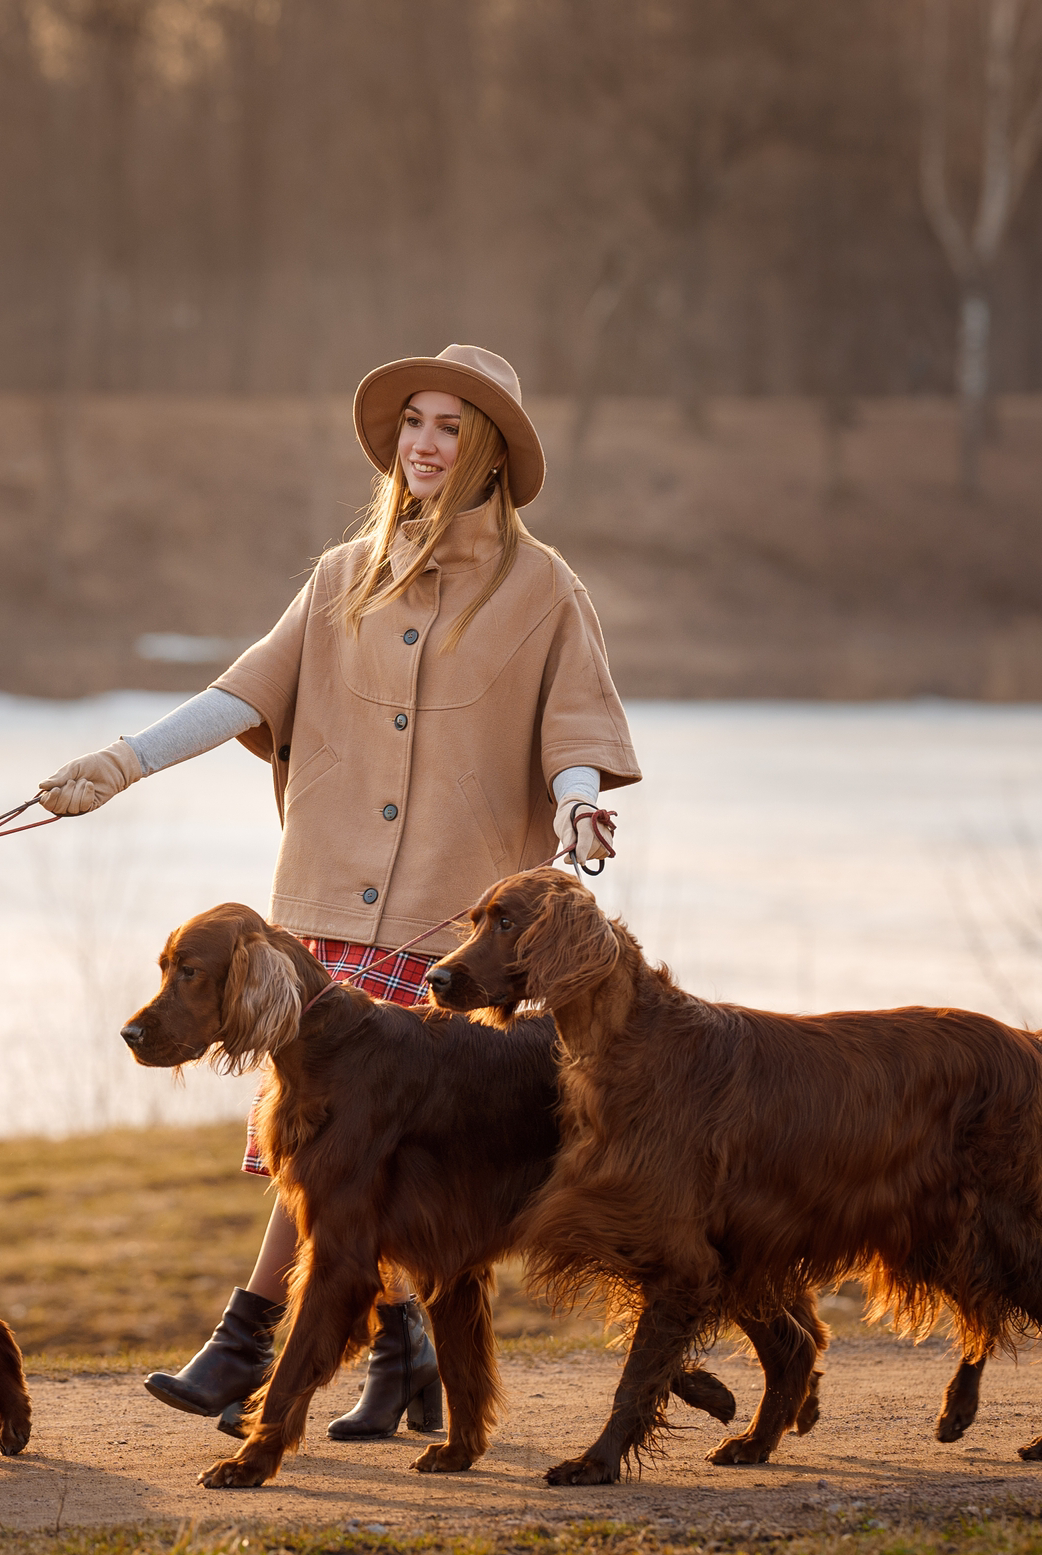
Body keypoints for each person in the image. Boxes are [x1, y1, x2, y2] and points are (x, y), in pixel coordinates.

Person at [37, 343, 639, 1439]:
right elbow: (241, 693)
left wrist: (581, 808)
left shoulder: (544, 588)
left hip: (448, 925)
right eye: (412, 421)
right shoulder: (339, 574)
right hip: (320, 907)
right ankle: (391, 1351)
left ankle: (250, 1341)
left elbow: (577, 725)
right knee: (330, 1140)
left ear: (489, 448)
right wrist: (118, 765)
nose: (421, 442)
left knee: (353, 1145)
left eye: (450, 426)